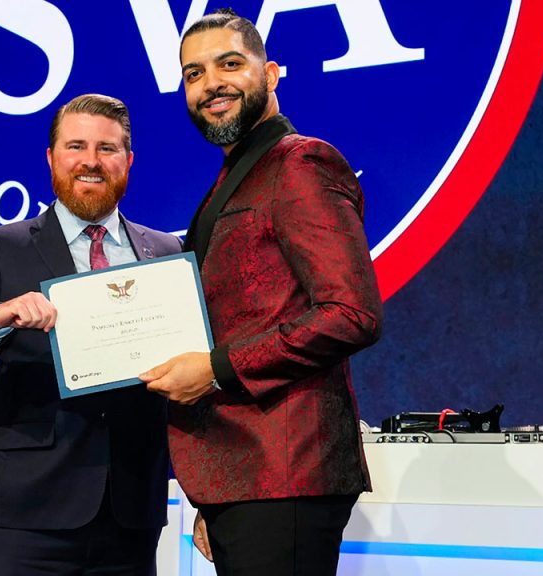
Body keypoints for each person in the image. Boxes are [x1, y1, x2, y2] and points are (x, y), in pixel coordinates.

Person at [140, 9, 383, 575]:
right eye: (193, 74)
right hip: (247, 478)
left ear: (270, 74)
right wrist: (216, 493)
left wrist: (216, 369)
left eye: (230, 64)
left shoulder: (300, 162)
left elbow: (352, 314)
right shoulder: (234, 178)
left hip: (286, 472)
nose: (211, 84)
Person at [0, 94, 181, 575]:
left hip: (130, 518)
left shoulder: (165, 251)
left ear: (129, 161)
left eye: (107, 148)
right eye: (76, 146)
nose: (91, 162)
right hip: (25, 517)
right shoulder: (4, 247)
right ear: (52, 158)